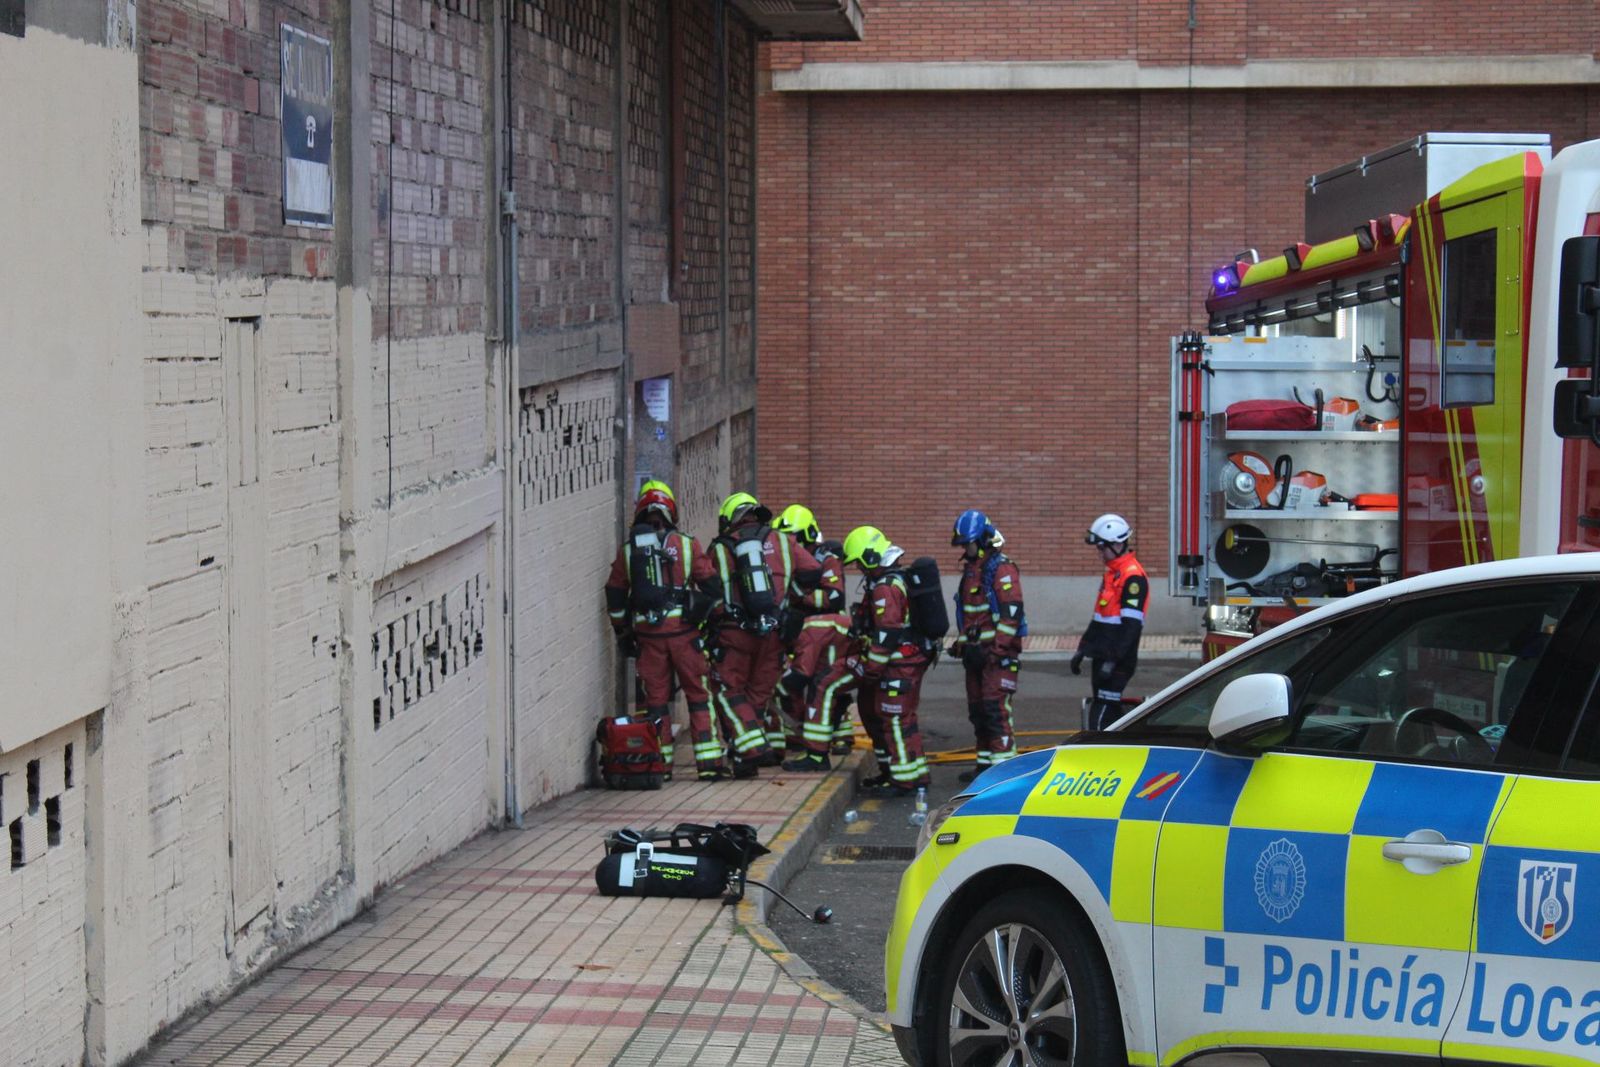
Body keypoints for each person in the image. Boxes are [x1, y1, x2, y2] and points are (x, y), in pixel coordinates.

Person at [603, 481, 724, 779]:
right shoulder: (686, 544)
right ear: (671, 511)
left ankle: (662, 765)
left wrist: (622, 633)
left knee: (656, 702)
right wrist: (706, 618)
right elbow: (711, 584)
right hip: (684, 635)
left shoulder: (629, 551)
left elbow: (616, 596)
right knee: (698, 695)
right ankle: (708, 764)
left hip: (649, 638)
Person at [705, 492, 822, 774]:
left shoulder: (721, 549)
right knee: (757, 694)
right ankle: (746, 763)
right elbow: (813, 571)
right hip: (774, 632)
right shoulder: (783, 540)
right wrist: (788, 597)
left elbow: (713, 590)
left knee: (727, 689)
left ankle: (753, 748)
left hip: (735, 634)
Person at [835, 525, 933, 796]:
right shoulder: (892, 581)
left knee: (895, 720)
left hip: (899, 664)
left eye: (860, 563)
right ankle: (909, 774)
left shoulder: (885, 588)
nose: (861, 570)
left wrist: (871, 670)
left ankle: (903, 781)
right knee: (896, 718)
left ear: (870, 556)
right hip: (906, 661)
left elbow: (887, 633)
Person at [949, 509, 1025, 783]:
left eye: (967, 544)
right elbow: (972, 617)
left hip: (996, 658)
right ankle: (984, 767)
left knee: (996, 712)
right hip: (976, 656)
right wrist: (961, 645)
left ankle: (1005, 774)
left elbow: (1011, 615)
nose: (964, 550)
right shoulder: (972, 571)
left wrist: (996, 650)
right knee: (978, 712)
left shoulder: (1001, 569)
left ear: (981, 541)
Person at [772, 504, 849, 757]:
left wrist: (799, 595)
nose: (794, 545)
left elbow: (834, 598)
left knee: (824, 682)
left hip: (827, 634)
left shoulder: (826, 559)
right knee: (796, 681)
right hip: (801, 632)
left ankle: (840, 734)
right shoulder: (789, 559)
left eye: (796, 539)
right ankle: (801, 731)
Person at [1072, 513, 1149, 731]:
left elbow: (1131, 628)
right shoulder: (1112, 575)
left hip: (1118, 661)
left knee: (1101, 717)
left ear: (1117, 544)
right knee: (1108, 712)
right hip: (1102, 657)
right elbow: (1099, 619)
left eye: (1102, 547)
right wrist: (1082, 649)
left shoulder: (1133, 577)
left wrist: (1112, 661)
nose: (1099, 553)